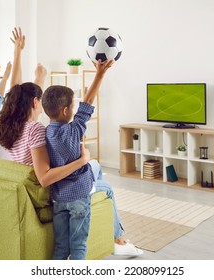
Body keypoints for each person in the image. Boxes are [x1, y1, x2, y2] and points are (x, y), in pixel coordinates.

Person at [42, 58, 143, 259]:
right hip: (79, 195)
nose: (75, 108)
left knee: (61, 246)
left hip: (59, 198)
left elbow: (83, 107)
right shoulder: (74, 130)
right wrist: (100, 74)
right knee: (78, 245)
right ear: (66, 110)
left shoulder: (46, 133)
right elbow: (87, 105)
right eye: (72, 106)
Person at [0, 27, 90, 189]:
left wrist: (18, 51)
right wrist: (83, 160)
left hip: (22, 182)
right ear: (35, 102)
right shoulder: (34, 129)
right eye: (41, 99)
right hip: (44, 188)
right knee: (97, 172)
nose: (43, 103)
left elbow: (16, 90)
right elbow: (45, 178)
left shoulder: (10, 123)